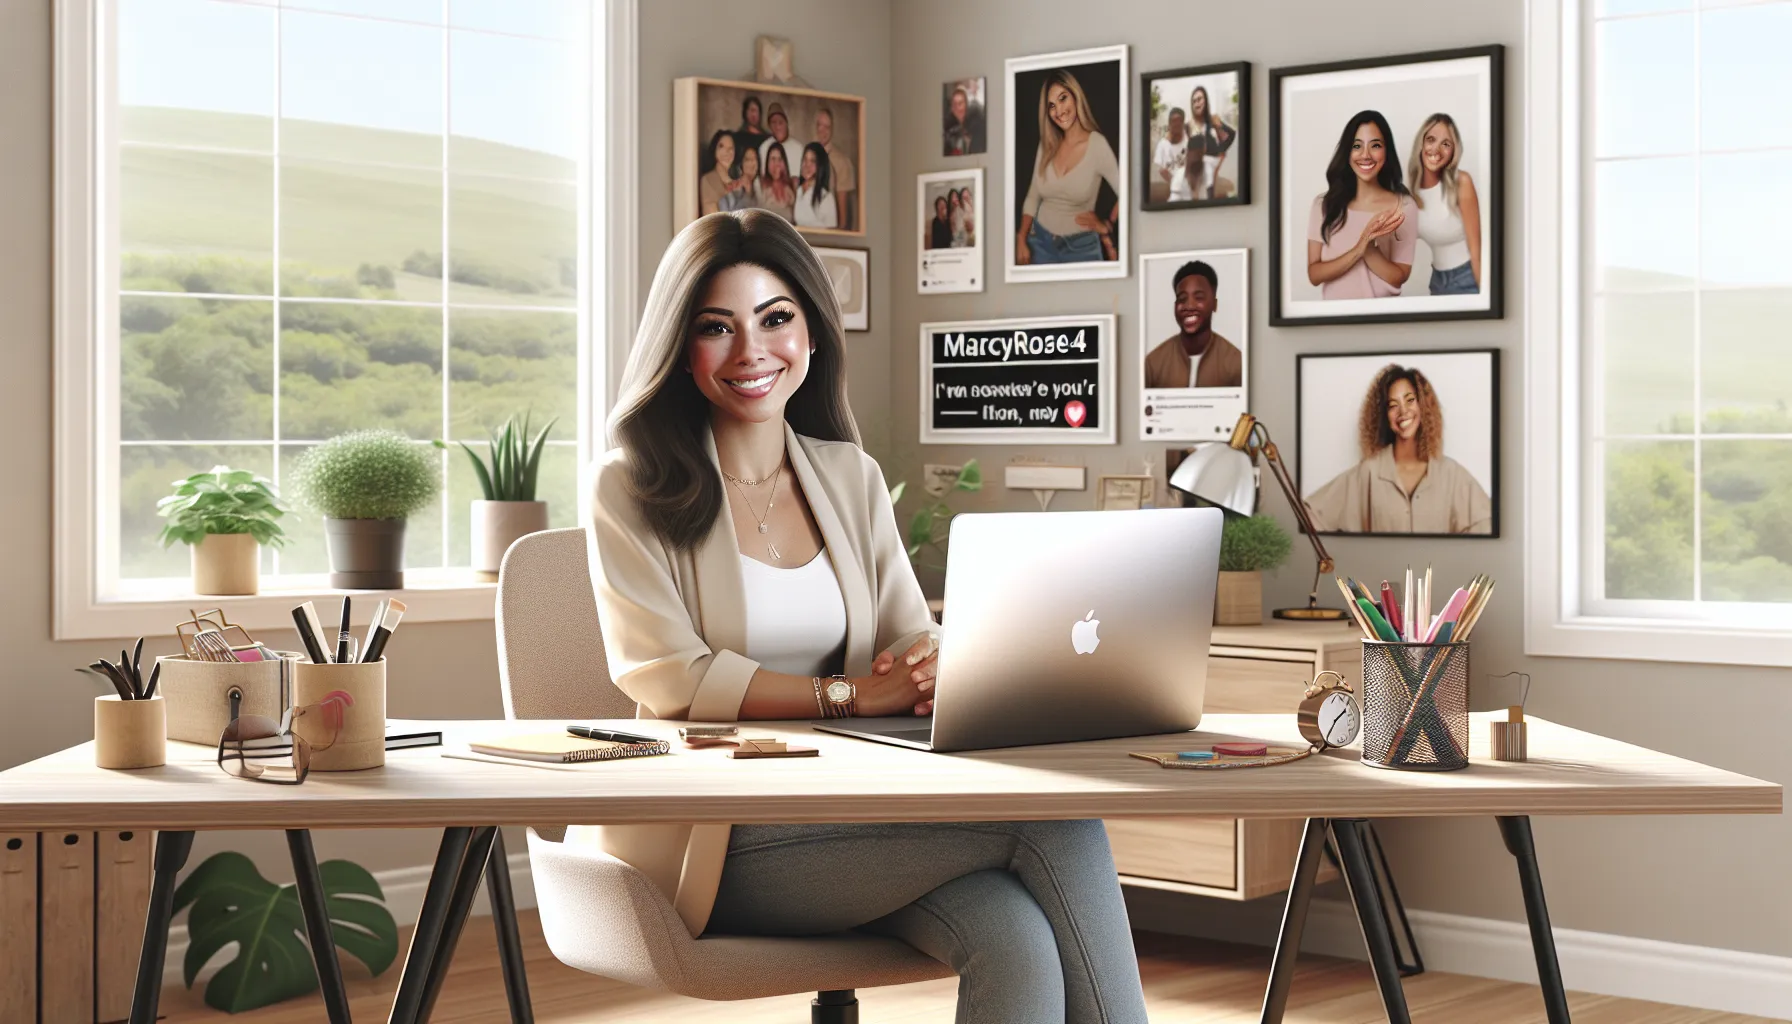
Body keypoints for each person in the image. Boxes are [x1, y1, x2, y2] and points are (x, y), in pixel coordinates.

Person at [575, 209, 1151, 1024]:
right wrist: (849, 696)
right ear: (681, 345)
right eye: (716, 327)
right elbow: (670, 677)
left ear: (810, 332)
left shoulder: (850, 475)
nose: (750, 351)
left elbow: (910, 630)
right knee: (1059, 824)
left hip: (855, 809)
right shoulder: (629, 485)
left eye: (775, 319)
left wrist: (935, 664)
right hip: (715, 836)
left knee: (1014, 936)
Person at [1305, 363, 1491, 534]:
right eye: (1393, 405)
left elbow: (1488, 526)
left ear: (1423, 405)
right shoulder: (1369, 472)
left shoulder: (1452, 474)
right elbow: (1311, 514)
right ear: (1384, 416)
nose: (1403, 411)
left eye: (1410, 400)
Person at [1306, 110, 1419, 300]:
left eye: (1375, 145)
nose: (1365, 155)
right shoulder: (1323, 205)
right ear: (1347, 151)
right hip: (1334, 316)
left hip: (1382, 314)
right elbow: (1314, 275)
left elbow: (1399, 277)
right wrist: (1359, 248)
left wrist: (1369, 249)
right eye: (1357, 146)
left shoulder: (1404, 206)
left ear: (1387, 150)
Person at [1016, 68, 1121, 266]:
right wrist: (1021, 237)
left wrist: (1107, 225)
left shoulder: (1097, 145)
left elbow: (1128, 193)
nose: (1059, 111)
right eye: (1051, 106)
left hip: (1082, 248)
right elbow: (1033, 195)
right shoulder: (1047, 144)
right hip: (1039, 243)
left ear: (1076, 96)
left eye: (1063, 98)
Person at [1406, 113, 1481, 295]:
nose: (1436, 149)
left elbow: (1477, 251)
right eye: (1431, 140)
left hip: (1468, 277)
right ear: (1421, 143)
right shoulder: (1410, 197)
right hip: (1437, 283)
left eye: (1446, 144)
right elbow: (1397, 246)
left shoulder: (1461, 182)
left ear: (1453, 151)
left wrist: (1486, 297)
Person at [1143, 260, 1243, 389]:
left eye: (1199, 297)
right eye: (1182, 298)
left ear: (1214, 304)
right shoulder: (1153, 364)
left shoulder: (1236, 362)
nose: (1189, 306)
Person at [1186, 86, 1237, 200]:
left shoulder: (1212, 120)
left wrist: (1220, 149)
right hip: (1195, 172)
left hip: (1211, 169)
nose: (1197, 104)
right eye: (1194, 101)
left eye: (1199, 99)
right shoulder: (1188, 126)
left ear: (1205, 100)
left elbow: (1232, 134)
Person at [815, 108, 856, 230]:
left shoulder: (842, 162)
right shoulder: (809, 157)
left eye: (827, 127)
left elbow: (843, 218)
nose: (822, 131)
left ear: (832, 129)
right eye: (819, 125)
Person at [757, 103, 804, 190]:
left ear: (786, 123)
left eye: (780, 122)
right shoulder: (764, 148)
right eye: (773, 123)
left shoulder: (799, 149)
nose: (777, 127)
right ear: (769, 126)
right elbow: (763, 180)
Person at [793, 142, 837, 230]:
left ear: (820, 165)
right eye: (805, 160)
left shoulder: (826, 197)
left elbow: (832, 232)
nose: (807, 165)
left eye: (813, 161)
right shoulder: (797, 191)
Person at [1153, 107, 1193, 203]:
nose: (1176, 124)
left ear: (1183, 123)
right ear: (1169, 123)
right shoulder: (1162, 145)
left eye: (1179, 121)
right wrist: (1175, 182)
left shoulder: (1189, 141)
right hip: (1171, 190)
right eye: (1173, 121)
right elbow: (1160, 170)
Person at [698, 130, 740, 217]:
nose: (727, 151)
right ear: (714, 149)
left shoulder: (739, 180)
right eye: (721, 146)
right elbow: (711, 217)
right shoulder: (708, 180)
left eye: (731, 148)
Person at [756, 141, 797, 222]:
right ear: (767, 162)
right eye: (773, 159)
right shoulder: (759, 183)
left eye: (779, 159)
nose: (776, 164)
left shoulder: (792, 184)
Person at [943, 83, 984, 156]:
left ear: (966, 104)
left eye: (960, 103)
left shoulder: (975, 119)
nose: (957, 108)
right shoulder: (952, 125)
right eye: (954, 104)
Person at [718, 145, 761, 213]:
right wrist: (747, 194)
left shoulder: (760, 188)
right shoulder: (732, 192)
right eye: (748, 159)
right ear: (741, 164)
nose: (753, 163)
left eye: (755, 159)